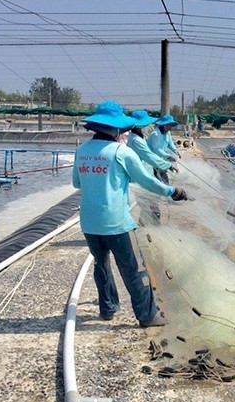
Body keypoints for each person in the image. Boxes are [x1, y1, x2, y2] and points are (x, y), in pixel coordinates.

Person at [72, 101, 190, 327]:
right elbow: (147, 181)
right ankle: (147, 316)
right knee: (134, 269)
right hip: (117, 223)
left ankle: (107, 309)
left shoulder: (82, 151)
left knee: (101, 265)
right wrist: (172, 191)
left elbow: (77, 182)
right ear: (116, 129)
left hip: (88, 222)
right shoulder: (121, 152)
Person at [127, 110, 177, 185]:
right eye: (146, 124)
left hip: (153, 165)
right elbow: (150, 155)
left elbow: (170, 142)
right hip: (140, 176)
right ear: (139, 126)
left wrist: (174, 150)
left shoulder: (139, 138)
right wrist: (168, 165)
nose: (148, 126)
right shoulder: (137, 140)